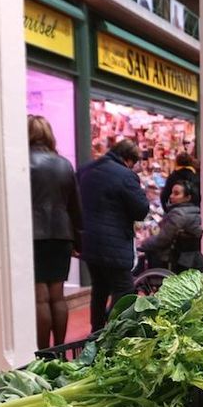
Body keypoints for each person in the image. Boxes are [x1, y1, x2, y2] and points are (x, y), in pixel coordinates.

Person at [79, 138, 150, 332]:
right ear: (129, 160)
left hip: (89, 241)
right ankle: (114, 331)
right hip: (115, 242)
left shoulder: (86, 170)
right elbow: (141, 210)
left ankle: (96, 331)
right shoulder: (125, 175)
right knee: (124, 288)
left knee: (99, 287)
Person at [28, 115, 82, 350]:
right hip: (62, 233)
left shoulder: (23, 162)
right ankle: (59, 347)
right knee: (58, 296)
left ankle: (43, 352)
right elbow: (75, 206)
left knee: (40, 297)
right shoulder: (64, 164)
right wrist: (78, 240)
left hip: (33, 234)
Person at [141, 181, 203, 272]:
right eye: (172, 193)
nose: (171, 196)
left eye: (176, 194)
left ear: (187, 197)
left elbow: (163, 239)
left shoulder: (178, 214)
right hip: (194, 258)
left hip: (175, 259)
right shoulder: (196, 212)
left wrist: (144, 244)